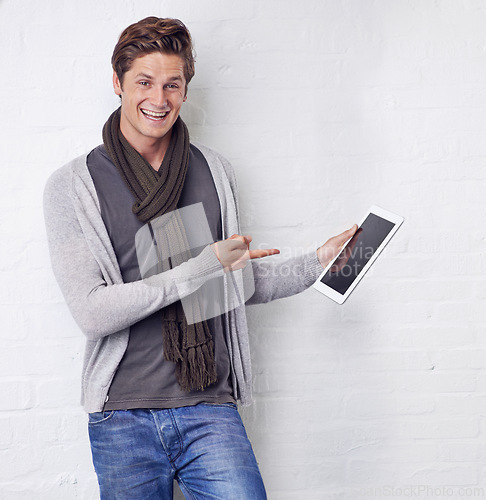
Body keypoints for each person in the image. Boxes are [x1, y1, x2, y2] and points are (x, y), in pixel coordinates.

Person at [43, 16, 357, 500]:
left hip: (208, 404)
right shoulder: (74, 186)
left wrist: (320, 261)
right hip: (122, 413)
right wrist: (202, 266)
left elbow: (230, 286)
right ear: (116, 83)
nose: (159, 99)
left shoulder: (212, 170)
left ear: (186, 89)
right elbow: (92, 311)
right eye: (144, 82)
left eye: (173, 84)